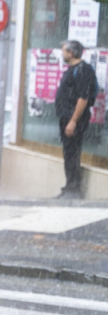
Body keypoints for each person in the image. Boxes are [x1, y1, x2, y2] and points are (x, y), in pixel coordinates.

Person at [55, 40, 98, 199]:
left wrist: (73, 121)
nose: (62, 54)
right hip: (66, 117)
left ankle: (74, 189)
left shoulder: (83, 71)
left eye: (64, 51)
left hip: (75, 119)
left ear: (71, 53)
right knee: (68, 152)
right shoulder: (73, 69)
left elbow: (83, 98)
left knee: (73, 152)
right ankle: (69, 186)